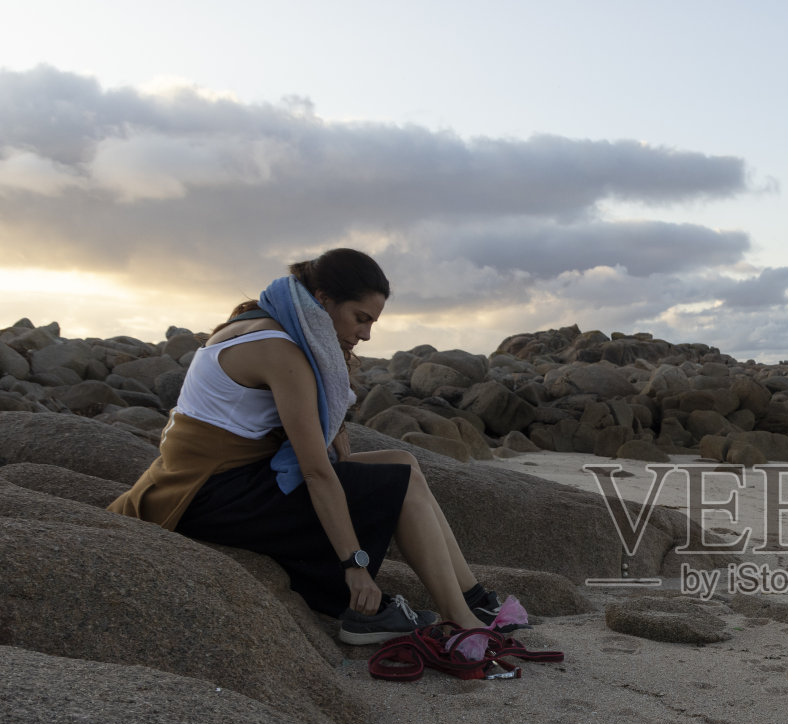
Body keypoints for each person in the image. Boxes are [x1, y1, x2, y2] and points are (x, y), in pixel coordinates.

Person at [109, 248, 510, 643]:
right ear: (323, 300)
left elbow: (337, 457)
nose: (366, 333)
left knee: (403, 462)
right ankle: (458, 620)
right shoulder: (279, 349)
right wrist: (354, 564)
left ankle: (472, 599)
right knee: (397, 483)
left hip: (228, 476)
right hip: (207, 492)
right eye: (360, 318)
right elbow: (317, 471)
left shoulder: (268, 323)